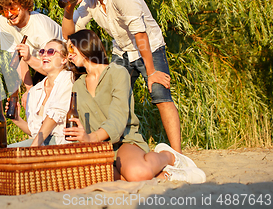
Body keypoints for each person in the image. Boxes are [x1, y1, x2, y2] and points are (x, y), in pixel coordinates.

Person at [62, 0, 182, 153]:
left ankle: (177, 155)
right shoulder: (90, 3)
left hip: (148, 47)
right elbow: (69, 35)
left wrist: (151, 72)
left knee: (160, 93)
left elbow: (140, 34)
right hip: (122, 49)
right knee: (110, 96)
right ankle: (117, 146)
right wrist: (69, 8)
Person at [63, 30, 205, 183]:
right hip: (98, 148)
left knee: (137, 173)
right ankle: (164, 175)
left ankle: (169, 156)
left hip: (124, 141)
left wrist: (91, 138)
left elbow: (118, 120)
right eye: (67, 51)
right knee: (88, 177)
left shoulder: (117, 73)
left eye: (71, 48)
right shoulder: (77, 85)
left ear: (85, 45)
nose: (69, 54)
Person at [0, 39, 75, 171]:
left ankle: (26, 169)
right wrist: (17, 120)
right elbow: (35, 131)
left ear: (64, 59)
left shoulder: (68, 79)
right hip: (38, 143)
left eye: (51, 52)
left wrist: (32, 150)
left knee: (21, 161)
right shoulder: (35, 91)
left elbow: (53, 118)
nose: (45, 55)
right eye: (42, 52)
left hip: (59, 143)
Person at [0, 0, 63, 108]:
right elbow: (17, 57)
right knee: (33, 99)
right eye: (5, 10)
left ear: (25, 6)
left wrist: (29, 59)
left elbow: (55, 70)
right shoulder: (3, 22)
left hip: (64, 65)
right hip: (40, 64)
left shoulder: (41, 28)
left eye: (13, 9)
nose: (9, 14)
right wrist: (29, 89)